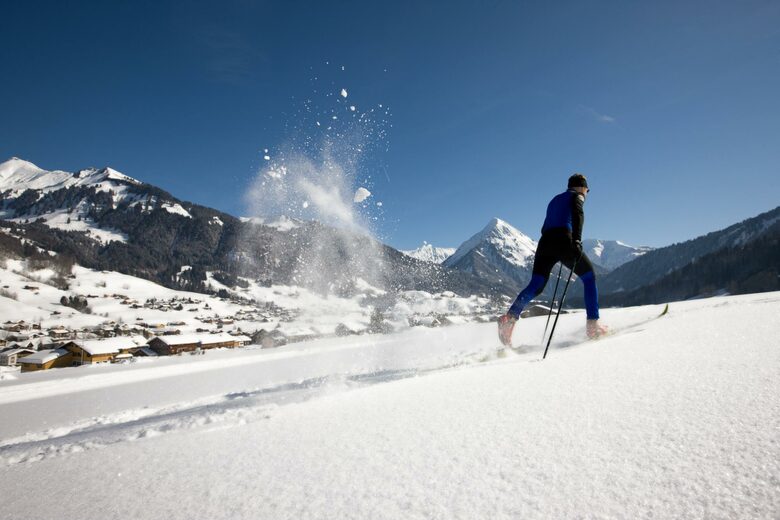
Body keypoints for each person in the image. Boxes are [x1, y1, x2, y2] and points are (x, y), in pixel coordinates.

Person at [498, 173, 608, 345]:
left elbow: (545, 227)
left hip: (544, 244)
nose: (587, 193)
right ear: (580, 186)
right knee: (589, 277)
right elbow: (578, 214)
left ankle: (510, 319)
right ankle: (592, 326)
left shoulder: (554, 200)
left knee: (536, 285)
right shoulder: (577, 196)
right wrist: (576, 240)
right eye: (587, 189)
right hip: (564, 239)